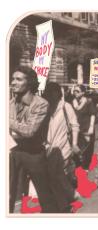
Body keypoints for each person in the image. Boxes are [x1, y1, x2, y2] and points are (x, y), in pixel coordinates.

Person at [9, 66, 58, 213]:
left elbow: (29, 131)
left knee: (45, 196)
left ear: (29, 83)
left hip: (34, 154)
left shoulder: (41, 104)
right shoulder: (11, 102)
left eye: (18, 79)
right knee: (10, 193)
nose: (13, 82)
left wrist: (7, 121)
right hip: (14, 152)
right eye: (12, 78)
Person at [42, 82, 81, 212]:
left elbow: (75, 125)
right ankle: (70, 195)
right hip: (48, 149)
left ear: (58, 93)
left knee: (56, 175)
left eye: (54, 92)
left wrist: (74, 144)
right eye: (49, 92)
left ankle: (65, 204)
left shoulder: (66, 106)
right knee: (57, 176)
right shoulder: (44, 108)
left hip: (64, 147)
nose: (51, 95)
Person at [72, 85, 97, 170]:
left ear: (83, 93)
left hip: (87, 129)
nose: (75, 92)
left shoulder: (88, 102)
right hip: (76, 129)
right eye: (74, 91)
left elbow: (93, 115)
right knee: (76, 148)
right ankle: (77, 166)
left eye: (77, 91)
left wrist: (91, 127)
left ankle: (86, 167)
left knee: (87, 150)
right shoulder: (73, 102)